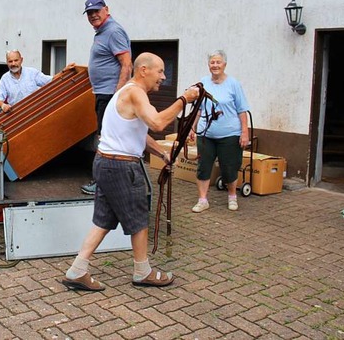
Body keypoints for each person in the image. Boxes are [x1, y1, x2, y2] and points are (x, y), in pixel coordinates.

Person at [61, 52, 200, 291]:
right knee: (138, 218)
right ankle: (142, 272)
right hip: (121, 166)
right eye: (160, 71)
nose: (163, 77)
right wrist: (184, 100)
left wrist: (161, 153)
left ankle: (77, 270)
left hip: (105, 163)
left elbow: (138, 132)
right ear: (143, 70)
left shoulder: (126, 91)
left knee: (103, 220)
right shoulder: (135, 92)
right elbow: (157, 123)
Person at [81, 0, 133, 195]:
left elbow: (126, 65)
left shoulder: (113, 31)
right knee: (105, 137)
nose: (93, 15)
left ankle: (102, 183)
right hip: (103, 93)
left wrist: (116, 97)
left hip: (109, 95)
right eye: (90, 13)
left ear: (106, 9)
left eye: (97, 11)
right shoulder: (102, 32)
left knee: (106, 139)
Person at [189, 50, 250, 213]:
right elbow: (199, 109)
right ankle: (202, 200)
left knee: (229, 167)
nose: (215, 65)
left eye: (218, 62)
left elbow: (242, 110)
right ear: (209, 65)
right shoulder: (203, 82)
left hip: (229, 134)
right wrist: (192, 127)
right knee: (203, 166)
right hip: (206, 134)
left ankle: (232, 197)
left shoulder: (233, 84)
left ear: (225, 65)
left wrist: (245, 132)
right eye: (212, 62)